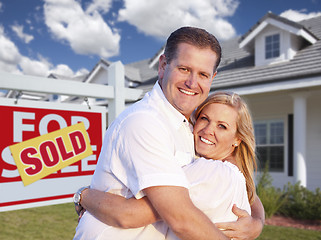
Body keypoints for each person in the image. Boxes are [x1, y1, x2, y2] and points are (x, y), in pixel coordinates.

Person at [73, 27, 264, 240]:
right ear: (163, 65)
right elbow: (178, 218)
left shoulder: (190, 128)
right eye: (184, 69)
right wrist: (84, 196)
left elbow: (237, 184)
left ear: (213, 77)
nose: (192, 83)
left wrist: (257, 222)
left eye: (203, 74)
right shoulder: (144, 122)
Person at [75, 92, 258, 240]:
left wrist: (84, 195)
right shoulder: (234, 176)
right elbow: (255, 201)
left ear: (237, 139)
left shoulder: (213, 172)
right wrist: (258, 222)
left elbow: (128, 214)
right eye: (204, 119)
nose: (208, 130)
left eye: (222, 126)